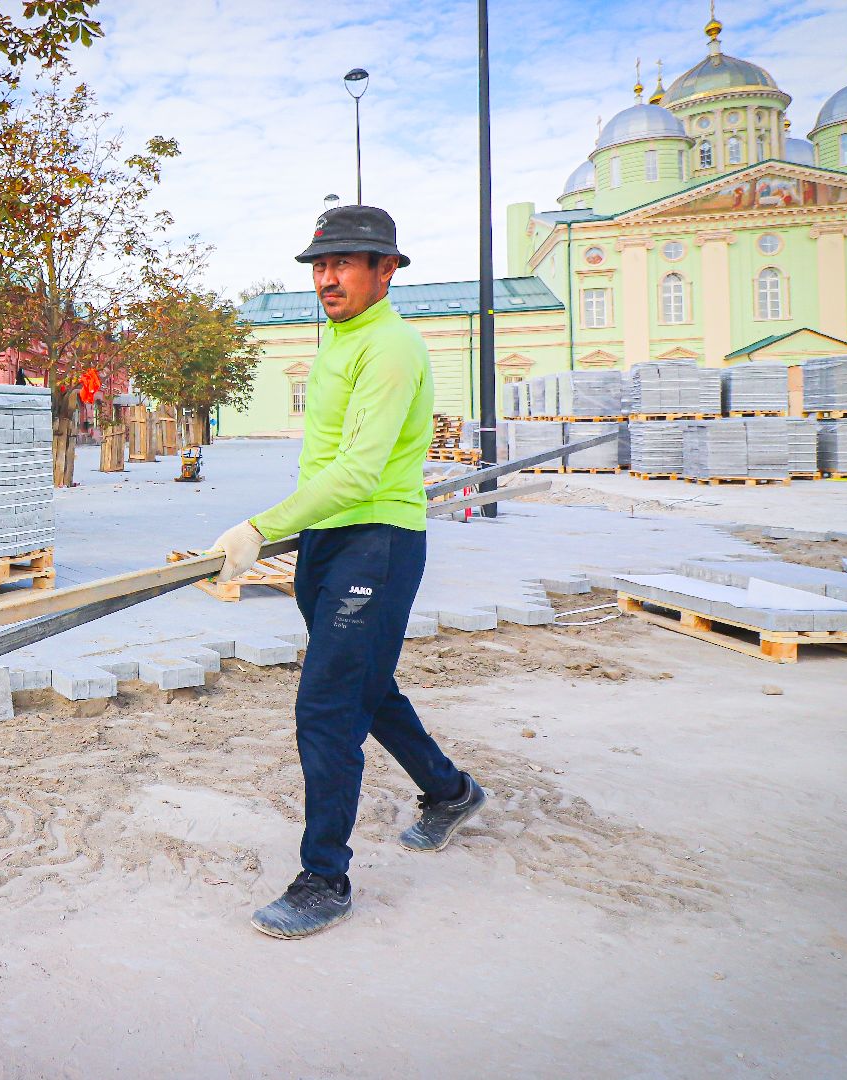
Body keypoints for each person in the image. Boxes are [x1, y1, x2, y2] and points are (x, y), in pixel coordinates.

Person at [211, 206, 485, 940]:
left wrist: (262, 527)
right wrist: (292, 533)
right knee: (367, 685)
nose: (327, 278)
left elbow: (362, 471)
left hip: (377, 543)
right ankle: (451, 792)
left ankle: (324, 878)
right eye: (320, 265)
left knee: (328, 706)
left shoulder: (390, 348)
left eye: (344, 264)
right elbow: (330, 461)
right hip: (329, 541)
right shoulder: (339, 339)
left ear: (386, 269)